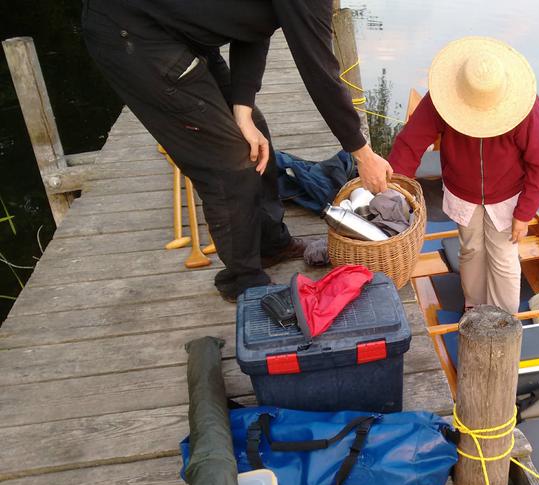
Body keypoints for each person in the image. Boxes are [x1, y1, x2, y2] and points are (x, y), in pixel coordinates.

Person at [81, 0, 392, 301]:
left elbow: (256, 28)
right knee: (229, 158)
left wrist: (242, 110)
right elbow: (317, 68)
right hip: (134, 32)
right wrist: (362, 153)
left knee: (256, 133)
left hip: (175, 30)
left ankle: (270, 245)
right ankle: (242, 281)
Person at [388, 37, 539, 314]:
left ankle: (504, 320)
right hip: (462, 191)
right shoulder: (442, 97)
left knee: (502, 255)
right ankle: (474, 308)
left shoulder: (526, 107)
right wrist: (394, 191)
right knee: (472, 249)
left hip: (508, 196)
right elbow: (410, 144)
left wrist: (525, 213)